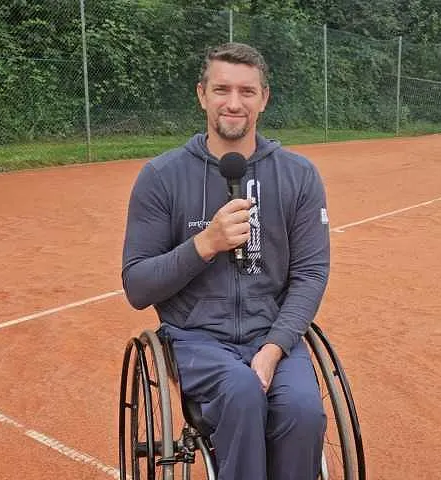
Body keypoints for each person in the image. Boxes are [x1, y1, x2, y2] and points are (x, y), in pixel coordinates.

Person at [121, 42, 330, 480]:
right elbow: (138, 286)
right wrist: (205, 244)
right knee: (242, 393)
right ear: (202, 94)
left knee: (303, 411)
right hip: (196, 339)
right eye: (222, 90)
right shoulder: (161, 177)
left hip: (273, 334)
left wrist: (274, 348)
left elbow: (310, 273)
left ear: (264, 99)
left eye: (247, 92)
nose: (234, 103)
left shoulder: (299, 175)